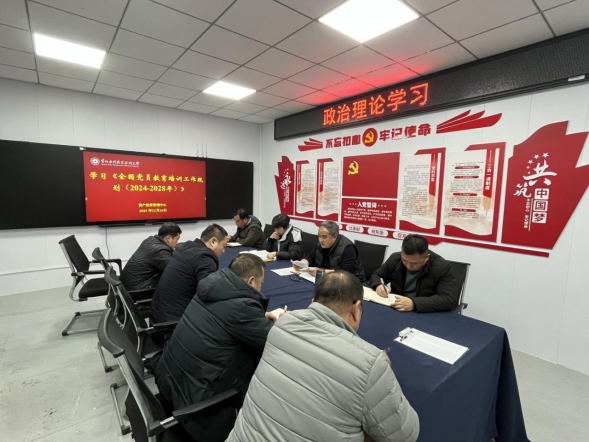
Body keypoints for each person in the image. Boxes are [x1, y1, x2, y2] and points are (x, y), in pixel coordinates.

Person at [226, 271, 419, 442]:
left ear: (313, 302)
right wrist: (382, 369)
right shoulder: (370, 363)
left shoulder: (282, 325)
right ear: (356, 309)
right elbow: (405, 435)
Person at [152, 254, 277, 442]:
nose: (261, 288)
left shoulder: (211, 287)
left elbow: (228, 318)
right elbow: (273, 341)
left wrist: (257, 318)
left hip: (170, 378)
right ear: (250, 281)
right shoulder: (242, 308)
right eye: (261, 283)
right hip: (199, 407)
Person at [150, 223, 229, 324]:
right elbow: (210, 293)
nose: (223, 251)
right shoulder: (205, 257)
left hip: (157, 315)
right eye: (223, 246)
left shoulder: (185, 248)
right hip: (173, 324)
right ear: (213, 241)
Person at [368, 234, 457, 313]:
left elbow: (448, 299)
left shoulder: (441, 267)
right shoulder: (395, 258)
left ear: (427, 257)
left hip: (424, 312)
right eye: (404, 260)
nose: (408, 265)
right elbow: (377, 275)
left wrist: (414, 303)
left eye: (414, 263)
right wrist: (378, 285)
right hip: (396, 307)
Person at [294, 220, 365, 282]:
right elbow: (310, 257)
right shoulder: (321, 244)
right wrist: (302, 263)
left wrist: (322, 272)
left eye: (324, 237)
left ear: (334, 236)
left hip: (351, 283)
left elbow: (346, 272)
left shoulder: (348, 248)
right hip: (328, 280)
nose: (320, 240)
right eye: (319, 236)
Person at [120, 222, 181, 291]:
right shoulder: (161, 251)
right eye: (177, 239)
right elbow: (175, 272)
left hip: (126, 286)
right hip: (137, 290)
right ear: (168, 238)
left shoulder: (149, 241)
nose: (177, 243)